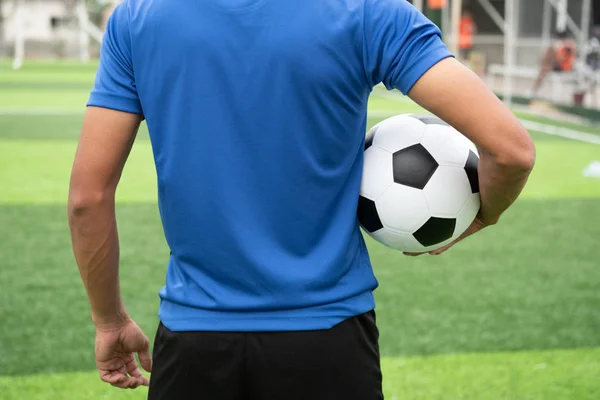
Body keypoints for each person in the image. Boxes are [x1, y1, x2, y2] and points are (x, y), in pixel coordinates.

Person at [67, 0, 535, 399]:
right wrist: (483, 215)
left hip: (193, 342)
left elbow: (87, 197)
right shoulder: (368, 12)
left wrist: (109, 321)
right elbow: (511, 152)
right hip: (329, 343)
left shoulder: (139, 17)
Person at [530, 31, 577, 100]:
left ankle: (533, 91)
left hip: (564, 67)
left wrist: (553, 56)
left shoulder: (568, 46)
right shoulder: (566, 45)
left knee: (549, 52)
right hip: (559, 65)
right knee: (544, 67)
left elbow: (562, 59)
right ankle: (533, 90)